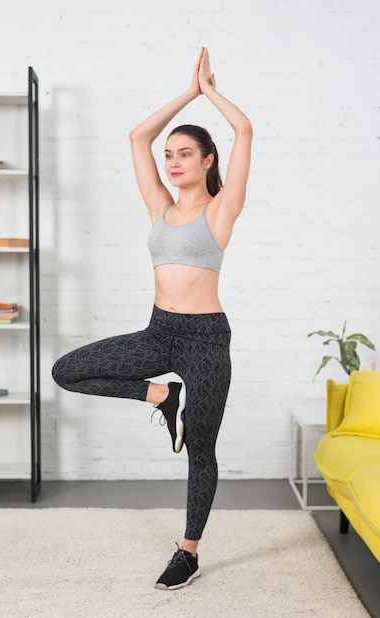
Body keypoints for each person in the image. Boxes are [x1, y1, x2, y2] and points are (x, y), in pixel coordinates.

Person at [52, 47, 252, 590]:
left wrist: (210, 92)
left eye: (185, 153)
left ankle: (188, 552)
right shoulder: (158, 205)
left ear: (208, 161)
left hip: (206, 340)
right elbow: (138, 136)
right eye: (171, 156)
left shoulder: (222, 208)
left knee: (203, 451)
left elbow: (245, 128)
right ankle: (164, 398)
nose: (173, 161)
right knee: (67, 370)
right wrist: (187, 90)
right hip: (159, 331)